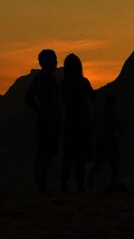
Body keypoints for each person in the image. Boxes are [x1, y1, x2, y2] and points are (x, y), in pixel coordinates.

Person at [25, 49, 61, 194]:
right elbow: (29, 98)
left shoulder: (39, 78)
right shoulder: (48, 79)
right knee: (47, 152)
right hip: (49, 120)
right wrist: (43, 111)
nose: (56, 62)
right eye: (54, 60)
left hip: (44, 119)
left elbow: (28, 98)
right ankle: (42, 186)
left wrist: (39, 110)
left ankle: (41, 185)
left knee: (44, 152)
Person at [60, 53, 95, 193]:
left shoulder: (63, 84)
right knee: (80, 156)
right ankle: (80, 186)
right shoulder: (83, 82)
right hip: (82, 122)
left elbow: (61, 100)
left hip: (70, 121)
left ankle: (64, 186)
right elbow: (93, 97)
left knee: (68, 156)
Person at [88, 94, 125, 192]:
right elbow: (118, 125)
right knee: (114, 163)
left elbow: (92, 123)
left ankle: (90, 180)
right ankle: (112, 183)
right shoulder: (113, 113)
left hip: (101, 139)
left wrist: (97, 129)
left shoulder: (101, 112)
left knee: (100, 163)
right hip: (110, 139)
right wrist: (122, 134)